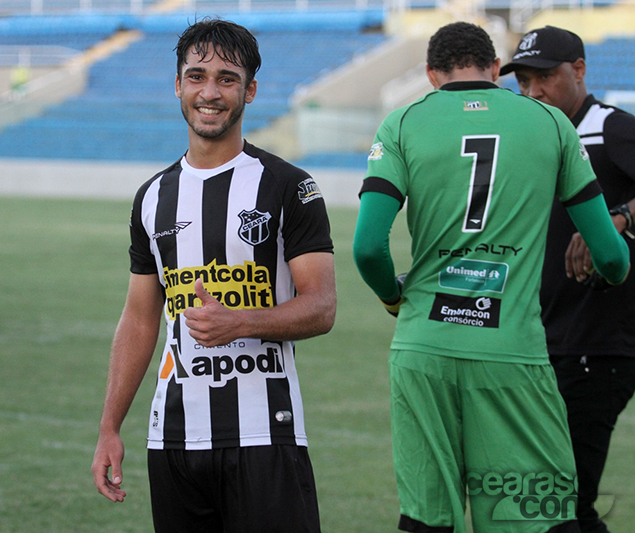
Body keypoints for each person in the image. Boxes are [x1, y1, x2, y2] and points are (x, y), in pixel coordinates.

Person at [352, 22, 630, 533]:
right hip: (513, 352)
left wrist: (395, 297)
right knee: (536, 517)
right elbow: (610, 258)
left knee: (426, 519)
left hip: (423, 348)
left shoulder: (401, 123)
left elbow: (367, 247)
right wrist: (614, 267)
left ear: (433, 74)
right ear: (497, 69)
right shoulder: (550, 123)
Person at [91, 18, 336, 533]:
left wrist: (240, 322)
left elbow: (322, 306)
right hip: (174, 441)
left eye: (226, 79)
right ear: (178, 85)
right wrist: (110, 426)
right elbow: (139, 319)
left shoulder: (289, 186)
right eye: (197, 76)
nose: (210, 92)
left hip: (266, 436)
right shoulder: (153, 196)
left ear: (249, 90)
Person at [502, 26, 635, 533]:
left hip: (598, 343)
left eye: (545, 78)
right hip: (542, 339)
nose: (533, 91)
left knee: (564, 502)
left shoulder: (609, 128)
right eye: (525, 81)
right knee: (549, 499)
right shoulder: (533, 135)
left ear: (579, 71)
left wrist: (617, 217)